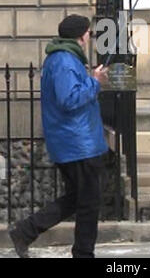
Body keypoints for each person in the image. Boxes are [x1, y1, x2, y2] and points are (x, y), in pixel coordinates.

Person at [8, 14, 109, 258]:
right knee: (89, 203)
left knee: (78, 198)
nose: (89, 37)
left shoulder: (64, 58)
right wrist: (95, 82)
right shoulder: (64, 60)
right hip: (78, 144)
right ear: (81, 35)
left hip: (75, 142)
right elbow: (69, 99)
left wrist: (90, 80)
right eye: (88, 32)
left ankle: (25, 231)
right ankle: (83, 253)